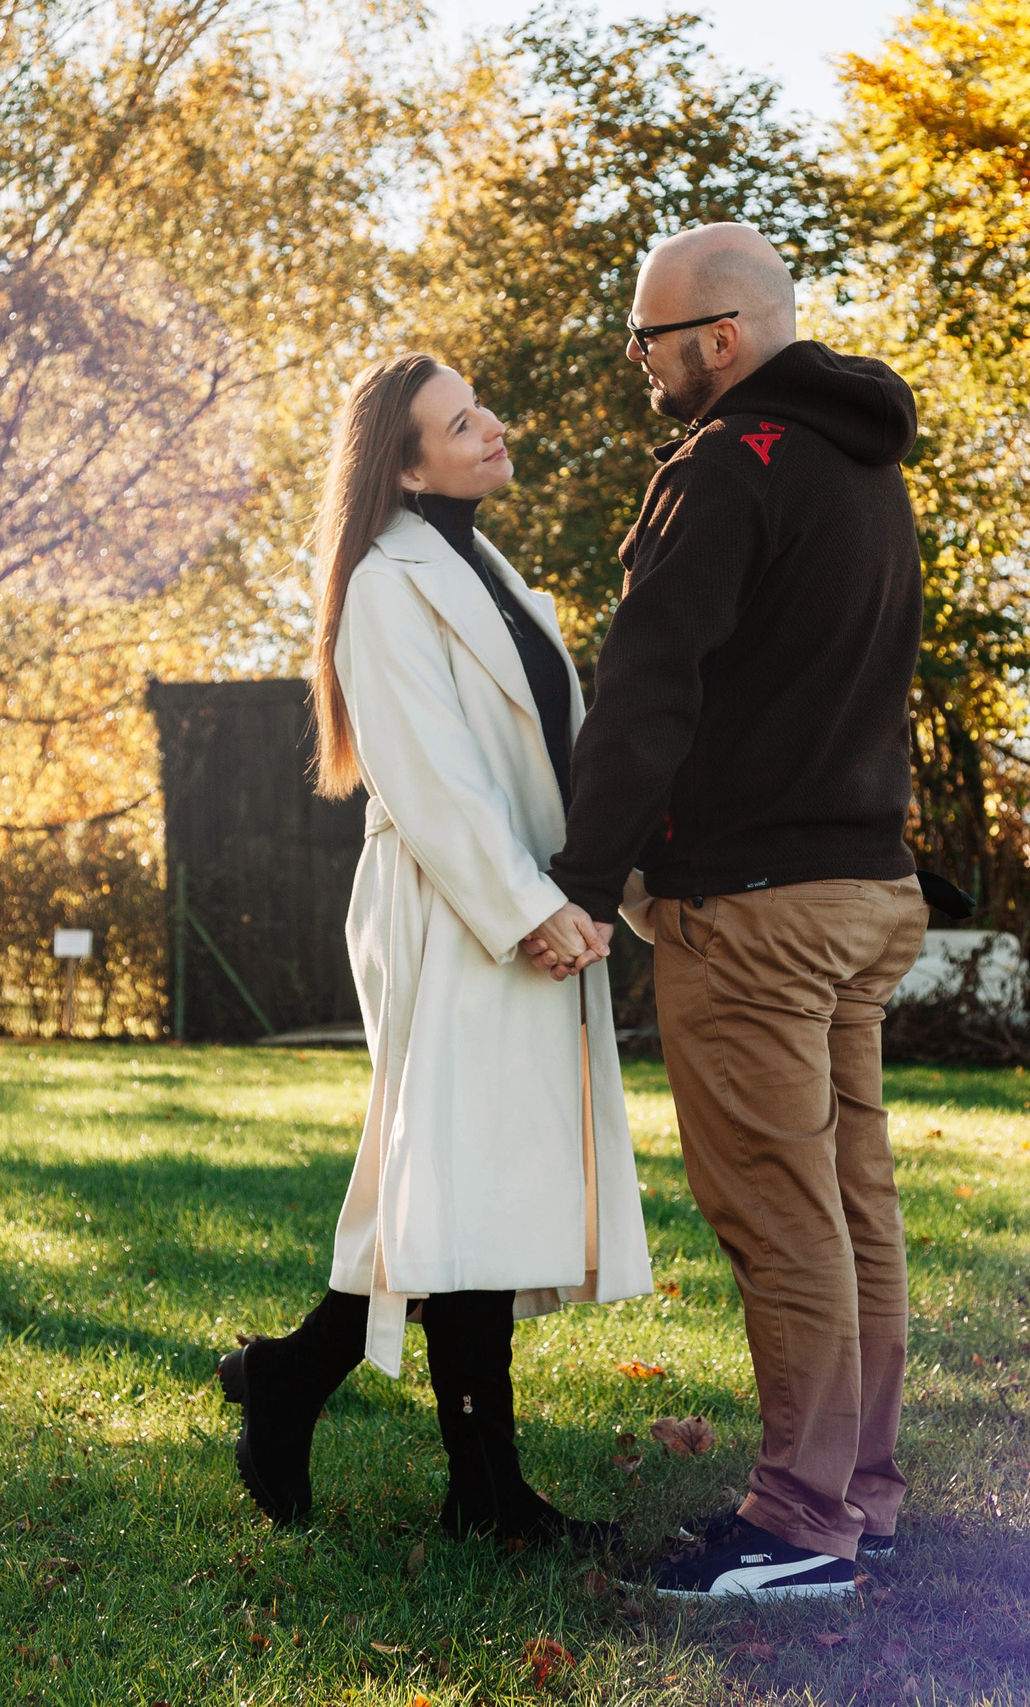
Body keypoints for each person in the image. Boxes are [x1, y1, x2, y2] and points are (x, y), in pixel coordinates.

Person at [530, 223, 929, 1601]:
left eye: (649, 338)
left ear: (720, 336)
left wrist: (584, 882)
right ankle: (863, 1493)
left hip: (756, 910)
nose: (640, 362)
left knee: (779, 1209)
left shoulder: (724, 465)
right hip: (867, 887)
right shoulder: (866, 465)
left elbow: (652, 686)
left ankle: (801, 1523)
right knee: (853, 1203)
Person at [217, 352, 653, 1545]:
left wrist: (598, 886)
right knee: (463, 1181)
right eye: (462, 424)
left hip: (517, 896)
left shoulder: (486, 570)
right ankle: (483, 1491)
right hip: (452, 904)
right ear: (406, 468)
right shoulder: (384, 585)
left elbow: (552, 753)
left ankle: (299, 1384)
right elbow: (433, 778)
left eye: (480, 410)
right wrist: (530, 909)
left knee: (468, 1184)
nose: (492, 427)